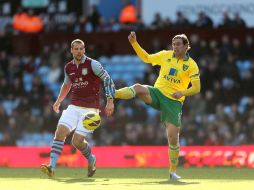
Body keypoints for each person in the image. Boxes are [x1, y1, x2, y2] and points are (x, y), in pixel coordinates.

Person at [114, 32, 201, 180]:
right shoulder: (165, 55)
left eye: (178, 44)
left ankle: (172, 172)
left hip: (173, 102)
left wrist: (182, 92)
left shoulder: (191, 65)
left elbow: (197, 88)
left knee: (173, 137)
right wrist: (134, 43)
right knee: (138, 87)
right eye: (174, 44)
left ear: (186, 46)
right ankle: (114, 93)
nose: (175, 47)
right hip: (158, 93)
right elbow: (146, 58)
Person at [40, 39, 115, 177]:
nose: (79, 51)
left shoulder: (93, 64)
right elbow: (66, 85)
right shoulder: (68, 67)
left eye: (81, 48)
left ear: (84, 50)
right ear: (71, 50)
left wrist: (110, 100)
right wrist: (58, 101)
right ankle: (51, 167)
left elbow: (108, 79)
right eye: (76, 49)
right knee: (60, 132)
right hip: (73, 106)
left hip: (91, 110)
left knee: (76, 141)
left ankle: (91, 158)